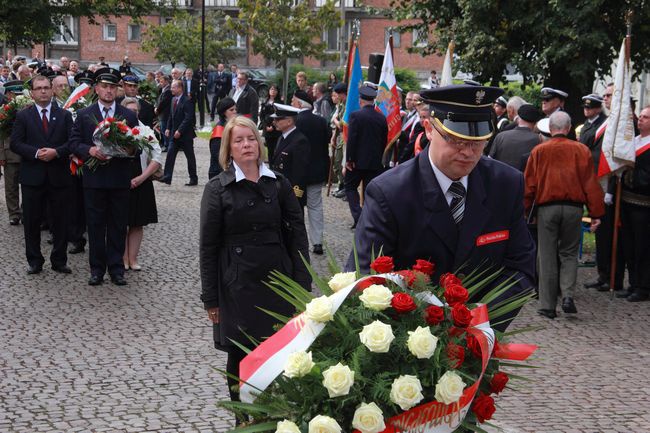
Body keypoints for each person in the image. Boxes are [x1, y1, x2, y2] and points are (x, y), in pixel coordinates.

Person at [347, 84, 536, 330]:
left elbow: (521, 268)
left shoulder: (505, 184)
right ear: (429, 129)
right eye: (456, 140)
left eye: (478, 142)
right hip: (407, 340)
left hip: (480, 335)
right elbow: (365, 275)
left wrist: (477, 323)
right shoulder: (390, 192)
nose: (468, 152)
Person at [199, 116, 311, 408]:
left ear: (260, 144)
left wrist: (302, 285)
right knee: (241, 354)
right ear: (229, 148)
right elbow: (208, 247)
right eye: (239, 140)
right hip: (237, 285)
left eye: (251, 139)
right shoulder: (217, 189)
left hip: (278, 281)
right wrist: (211, 298)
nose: (246, 145)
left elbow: (298, 236)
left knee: (281, 353)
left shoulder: (280, 184)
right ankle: (243, 416)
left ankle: (277, 416)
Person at [524, 111, 604, 318]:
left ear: (550, 129)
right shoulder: (581, 150)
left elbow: (529, 185)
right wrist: (596, 212)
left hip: (547, 208)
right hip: (573, 208)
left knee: (547, 254)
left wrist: (525, 211)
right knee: (569, 253)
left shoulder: (539, 151)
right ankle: (567, 295)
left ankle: (547, 305)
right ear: (568, 129)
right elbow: (590, 184)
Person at [68, 67, 139, 286]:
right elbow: (73, 142)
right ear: (97, 88)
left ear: (118, 90)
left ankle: (116, 269)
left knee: (118, 225)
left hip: (118, 178)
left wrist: (127, 150)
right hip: (94, 179)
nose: (108, 91)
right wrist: (89, 150)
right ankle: (96, 269)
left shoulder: (128, 115)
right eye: (104, 86)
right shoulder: (84, 114)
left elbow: (137, 145)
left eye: (112, 87)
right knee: (96, 225)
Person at [10, 74, 74, 274]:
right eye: (39, 88)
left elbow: (72, 142)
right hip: (32, 176)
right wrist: (36, 153)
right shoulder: (23, 116)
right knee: (31, 221)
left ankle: (59, 260)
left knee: (61, 220)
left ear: (52, 90)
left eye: (46, 87)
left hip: (59, 175)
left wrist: (56, 152)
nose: (43, 91)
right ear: (32, 93)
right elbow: (16, 143)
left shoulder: (64, 115)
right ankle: (35, 260)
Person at [120, 97, 163, 271]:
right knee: (121, 222)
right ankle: (122, 258)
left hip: (142, 179)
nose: (132, 114)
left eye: (135, 111)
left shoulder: (145, 131)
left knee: (138, 222)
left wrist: (142, 177)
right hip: (120, 181)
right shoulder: (115, 129)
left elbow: (157, 156)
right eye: (129, 110)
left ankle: (133, 258)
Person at [616, 106, 650, 302]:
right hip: (627, 201)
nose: (641, 120)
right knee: (628, 244)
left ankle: (643, 286)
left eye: (646, 117)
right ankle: (633, 282)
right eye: (641, 117)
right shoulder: (634, 142)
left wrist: (631, 174)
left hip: (643, 204)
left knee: (642, 246)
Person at [293, 90, 331, 255]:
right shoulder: (321, 121)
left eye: (294, 101)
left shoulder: (295, 121)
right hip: (316, 172)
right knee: (315, 207)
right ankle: (317, 243)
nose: (292, 103)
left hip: (298, 174)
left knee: (296, 207)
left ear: (300, 104)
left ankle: (298, 241)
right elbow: (326, 142)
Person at [344, 84, 388, 229]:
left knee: (350, 187)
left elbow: (352, 140)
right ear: (373, 100)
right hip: (374, 162)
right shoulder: (381, 118)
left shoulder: (355, 116)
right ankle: (369, 219)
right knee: (370, 192)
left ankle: (359, 216)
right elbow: (383, 141)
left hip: (356, 162)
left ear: (360, 100)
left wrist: (349, 159)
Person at [269, 103, 310, 207]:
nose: (274, 122)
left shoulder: (300, 141)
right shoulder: (281, 138)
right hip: (280, 190)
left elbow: (300, 172)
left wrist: (295, 195)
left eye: (278, 119)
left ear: (289, 121)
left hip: (291, 193)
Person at [159, 79, 198, 186]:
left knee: (190, 157)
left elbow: (188, 118)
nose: (171, 89)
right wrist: (168, 128)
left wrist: (180, 130)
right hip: (174, 135)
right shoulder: (173, 100)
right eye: (171, 87)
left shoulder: (187, 100)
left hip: (185, 135)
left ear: (180, 88)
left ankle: (193, 178)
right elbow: (171, 116)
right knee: (170, 154)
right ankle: (167, 177)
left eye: (173, 87)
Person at [489, 104, 543, 171]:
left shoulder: (501, 136)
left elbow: (489, 161)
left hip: (499, 179)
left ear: (518, 118)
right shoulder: (540, 140)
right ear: (535, 122)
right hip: (524, 180)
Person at [0, 80, 25, 225]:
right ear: (8, 94)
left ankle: (26, 211)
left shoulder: (27, 108)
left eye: (20, 94)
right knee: (11, 187)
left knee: (28, 185)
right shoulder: (4, 110)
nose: (17, 97)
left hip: (26, 153)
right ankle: (14, 213)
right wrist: (1, 156)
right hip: (9, 154)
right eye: (15, 94)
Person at [208, 97, 237, 179]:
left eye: (235, 109)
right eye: (231, 110)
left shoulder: (230, 125)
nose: (235, 112)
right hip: (219, 173)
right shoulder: (219, 129)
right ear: (224, 112)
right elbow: (217, 155)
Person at [329, 83, 347, 197]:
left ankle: (344, 186)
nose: (336, 96)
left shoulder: (347, 106)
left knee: (341, 163)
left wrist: (334, 119)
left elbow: (341, 124)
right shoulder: (341, 105)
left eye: (337, 94)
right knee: (336, 163)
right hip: (339, 136)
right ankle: (341, 185)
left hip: (345, 137)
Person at [259, 84, 283, 161]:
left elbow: (280, 115)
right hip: (267, 128)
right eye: (271, 89)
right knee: (269, 149)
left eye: (275, 90)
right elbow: (262, 115)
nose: (273, 91)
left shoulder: (280, 103)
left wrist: (273, 126)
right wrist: (265, 126)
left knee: (276, 148)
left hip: (276, 129)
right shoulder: (265, 102)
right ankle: (271, 166)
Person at [155, 74, 172, 152]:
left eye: (162, 82)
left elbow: (163, 102)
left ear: (166, 81)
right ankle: (166, 144)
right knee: (163, 129)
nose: (160, 83)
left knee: (165, 129)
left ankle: (167, 145)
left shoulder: (168, 91)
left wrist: (157, 110)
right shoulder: (163, 89)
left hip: (165, 113)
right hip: (163, 113)